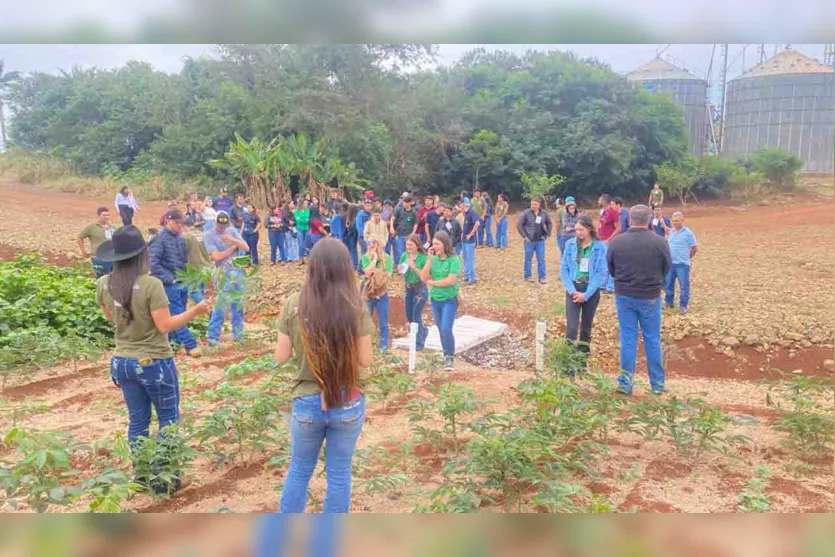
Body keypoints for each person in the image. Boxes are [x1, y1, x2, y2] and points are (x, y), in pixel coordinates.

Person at [95, 226, 212, 495]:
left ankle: (142, 475)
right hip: (153, 361)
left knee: (138, 421)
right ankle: (164, 480)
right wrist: (196, 310)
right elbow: (165, 325)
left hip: (122, 362)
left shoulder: (104, 284)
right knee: (168, 419)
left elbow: (111, 317)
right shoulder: (151, 284)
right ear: (141, 255)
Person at [273, 238, 373, 513]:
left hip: (307, 401)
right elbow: (365, 359)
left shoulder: (294, 304)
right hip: (348, 401)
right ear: (345, 268)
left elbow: (280, 357)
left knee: (300, 469)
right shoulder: (356, 306)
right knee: (339, 472)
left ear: (312, 267)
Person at [607, 205, 671, 396]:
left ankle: (625, 384)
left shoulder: (617, 242)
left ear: (629, 220)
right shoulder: (660, 242)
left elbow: (611, 268)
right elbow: (666, 267)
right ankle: (657, 385)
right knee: (652, 339)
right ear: (649, 219)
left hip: (624, 295)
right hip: (650, 296)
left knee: (628, 339)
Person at [148, 208, 202, 357]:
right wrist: (169, 278)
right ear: (168, 221)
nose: (180, 226)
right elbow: (153, 264)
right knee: (177, 313)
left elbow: (184, 260)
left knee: (179, 315)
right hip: (169, 283)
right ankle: (191, 345)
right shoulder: (159, 238)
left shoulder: (180, 238)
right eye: (177, 223)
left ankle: (174, 345)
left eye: (181, 223)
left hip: (181, 280)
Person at [559, 215, 607, 376]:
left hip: (590, 291)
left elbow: (601, 273)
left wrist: (585, 295)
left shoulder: (600, 247)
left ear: (590, 229)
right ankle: (567, 364)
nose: (578, 233)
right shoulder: (570, 245)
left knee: (586, 328)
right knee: (572, 328)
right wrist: (572, 291)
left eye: (581, 229)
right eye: (576, 229)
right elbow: (564, 269)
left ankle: (581, 363)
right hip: (573, 289)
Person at [204, 211, 250, 346]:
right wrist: (233, 248)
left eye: (224, 225)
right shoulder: (209, 236)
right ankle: (212, 338)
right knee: (221, 305)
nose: (221, 228)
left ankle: (238, 334)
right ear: (215, 223)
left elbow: (246, 247)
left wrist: (233, 240)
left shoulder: (232, 231)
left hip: (237, 270)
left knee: (238, 303)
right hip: (222, 272)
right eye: (219, 225)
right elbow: (216, 257)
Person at [419, 231, 461, 371]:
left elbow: (451, 280)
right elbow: (424, 278)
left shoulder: (454, 260)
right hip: (435, 300)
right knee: (440, 329)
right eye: (433, 244)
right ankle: (446, 354)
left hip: (449, 299)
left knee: (446, 328)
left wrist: (434, 283)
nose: (434, 246)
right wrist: (430, 260)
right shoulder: (433, 259)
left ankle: (449, 356)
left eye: (437, 244)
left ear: (445, 244)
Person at [360, 237, 392, 352]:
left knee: (383, 320)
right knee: (365, 319)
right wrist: (374, 260)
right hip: (368, 294)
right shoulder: (365, 257)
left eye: (374, 243)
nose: (371, 246)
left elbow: (388, 274)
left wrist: (377, 274)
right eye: (369, 244)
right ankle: (365, 345)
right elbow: (367, 272)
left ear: (379, 245)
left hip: (381, 293)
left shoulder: (387, 258)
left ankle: (383, 345)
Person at [665, 211, 698, 315]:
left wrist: (688, 257)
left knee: (684, 286)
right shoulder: (672, 232)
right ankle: (669, 303)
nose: (675, 223)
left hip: (682, 264)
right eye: (673, 221)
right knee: (668, 284)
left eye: (677, 221)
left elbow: (694, 248)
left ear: (682, 220)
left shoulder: (688, 233)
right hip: (671, 263)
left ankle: (683, 306)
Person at [400, 234, 429, 351]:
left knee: (416, 316)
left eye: (411, 245)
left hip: (420, 289)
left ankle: (419, 343)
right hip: (408, 288)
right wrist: (401, 268)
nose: (408, 247)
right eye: (407, 244)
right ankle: (423, 330)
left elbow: (424, 277)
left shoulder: (423, 258)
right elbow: (402, 272)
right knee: (409, 315)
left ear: (417, 246)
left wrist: (413, 266)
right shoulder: (404, 256)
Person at [516, 197, 552, 284]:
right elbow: (519, 225)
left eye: (535, 204)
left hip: (540, 240)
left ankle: (542, 277)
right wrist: (524, 236)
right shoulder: (525, 213)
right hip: (529, 240)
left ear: (539, 205)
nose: (533, 206)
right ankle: (528, 276)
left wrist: (548, 234)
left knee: (541, 259)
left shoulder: (543, 213)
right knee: (528, 259)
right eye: (532, 204)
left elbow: (549, 222)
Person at [182, 216, 213, 302]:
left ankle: (208, 309)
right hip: (207, 267)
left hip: (195, 268)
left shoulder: (186, 237)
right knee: (201, 291)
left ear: (184, 226)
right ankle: (205, 311)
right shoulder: (204, 234)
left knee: (193, 292)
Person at [79, 206, 116, 278]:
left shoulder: (112, 227)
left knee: (112, 278)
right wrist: (83, 251)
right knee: (99, 278)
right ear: (98, 216)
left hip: (111, 257)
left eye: (108, 215)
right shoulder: (92, 227)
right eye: (104, 215)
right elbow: (80, 237)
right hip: (98, 257)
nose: (106, 217)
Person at [598, 194, 621, 292]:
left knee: (610, 263)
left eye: (599, 199)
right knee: (602, 263)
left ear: (604, 201)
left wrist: (609, 239)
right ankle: (602, 285)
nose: (598, 201)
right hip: (601, 240)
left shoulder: (613, 212)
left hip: (608, 242)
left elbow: (618, 228)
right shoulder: (603, 212)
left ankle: (610, 286)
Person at [391, 195, 418, 266]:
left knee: (408, 252)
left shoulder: (413, 212)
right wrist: (391, 228)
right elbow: (392, 219)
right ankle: (400, 267)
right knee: (399, 252)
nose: (404, 204)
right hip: (399, 234)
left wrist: (413, 233)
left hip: (408, 235)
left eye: (406, 202)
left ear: (410, 203)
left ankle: (407, 267)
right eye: (404, 202)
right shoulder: (399, 210)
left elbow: (416, 223)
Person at [459, 199, 481, 284]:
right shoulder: (467, 214)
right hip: (464, 240)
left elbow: (477, 223)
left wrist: (471, 234)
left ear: (465, 205)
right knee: (465, 258)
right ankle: (467, 275)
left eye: (462, 205)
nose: (461, 207)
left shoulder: (472, 213)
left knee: (470, 259)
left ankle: (472, 278)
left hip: (470, 241)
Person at [342, 203, 360, 271]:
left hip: (351, 235)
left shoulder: (352, 218)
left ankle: (354, 265)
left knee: (352, 249)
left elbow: (351, 227)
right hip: (355, 235)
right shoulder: (356, 216)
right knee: (354, 249)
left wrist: (347, 226)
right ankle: (354, 264)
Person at [294, 200, 312, 264]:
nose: (306, 204)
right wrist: (305, 220)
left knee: (308, 243)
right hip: (300, 229)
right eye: (305, 203)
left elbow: (308, 220)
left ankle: (309, 258)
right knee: (301, 244)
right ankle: (301, 258)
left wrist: (302, 219)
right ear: (301, 204)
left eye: (307, 203)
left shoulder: (308, 211)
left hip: (307, 229)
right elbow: (298, 221)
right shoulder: (296, 212)